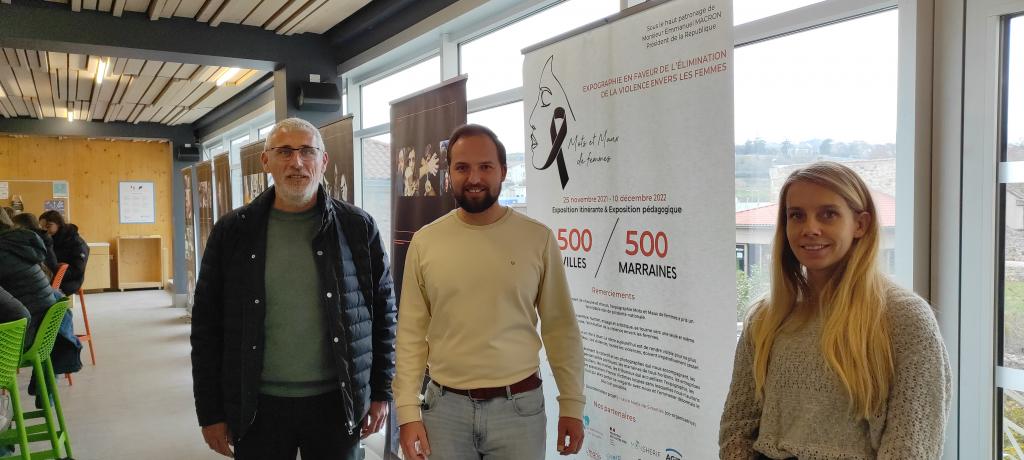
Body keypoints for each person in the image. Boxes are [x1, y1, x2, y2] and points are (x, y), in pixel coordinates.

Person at [191, 117, 397, 460]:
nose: (297, 162)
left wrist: (381, 391)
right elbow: (206, 328)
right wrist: (210, 411)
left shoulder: (357, 228)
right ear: (266, 161)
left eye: (307, 151)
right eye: (284, 152)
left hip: (337, 403)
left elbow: (384, 314)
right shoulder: (232, 232)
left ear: (323, 161)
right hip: (256, 405)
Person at [719, 161, 951, 459]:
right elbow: (736, 428)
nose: (810, 229)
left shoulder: (904, 318)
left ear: (860, 224)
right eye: (796, 215)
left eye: (828, 214)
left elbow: (911, 447)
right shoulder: (766, 318)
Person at [394, 124, 585, 460]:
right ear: (449, 173)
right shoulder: (425, 242)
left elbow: (560, 328)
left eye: (485, 166)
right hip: (445, 412)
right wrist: (407, 412)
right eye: (462, 167)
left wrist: (571, 404)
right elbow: (410, 333)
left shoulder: (537, 239)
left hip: (519, 412)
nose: (474, 178)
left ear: (503, 171)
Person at [37, 210, 88, 296]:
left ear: (59, 224)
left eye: (48, 226)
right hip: (51, 276)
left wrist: (54, 275)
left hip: (70, 280)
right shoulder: (48, 239)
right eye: (42, 227)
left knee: (39, 294)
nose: (45, 230)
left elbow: (77, 270)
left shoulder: (76, 242)